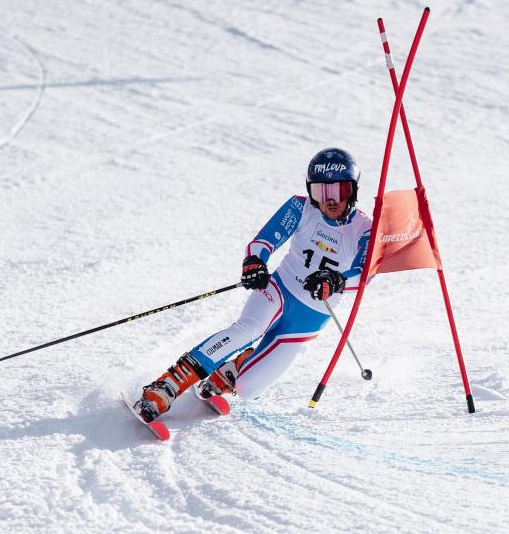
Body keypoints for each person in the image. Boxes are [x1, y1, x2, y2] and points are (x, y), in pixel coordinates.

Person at [133, 148, 373, 423]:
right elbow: (265, 240)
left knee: (250, 389)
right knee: (247, 329)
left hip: (310, 317)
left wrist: (336, 281)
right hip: (280, 290)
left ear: (353, 191)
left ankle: (233, 369)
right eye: (321, 191)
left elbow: (364, 275)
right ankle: (166, 387)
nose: (330, 200)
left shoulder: (365, 228)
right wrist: (255, 263)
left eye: (339, 190)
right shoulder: (301, 207)